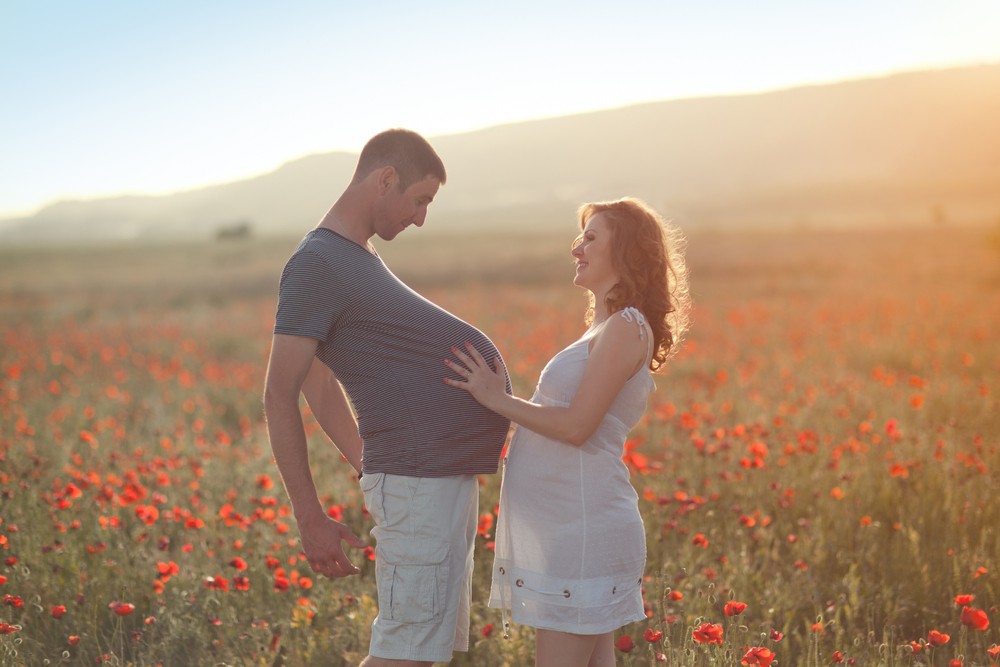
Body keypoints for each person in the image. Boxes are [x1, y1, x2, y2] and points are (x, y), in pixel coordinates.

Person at [263, 128, 511, 667]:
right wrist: (311, 518)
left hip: (427, 482)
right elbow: (282, 394)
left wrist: (366, 465)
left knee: (422, 655)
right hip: (417, 487)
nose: (421, 217)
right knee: (405, 656)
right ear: (385, 179)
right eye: (419, 200)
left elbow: (323, 386)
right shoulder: (318, 261)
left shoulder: (356, 256)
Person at [444, 197, 690, 667]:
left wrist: (498, 400)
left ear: (627, 250)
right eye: (581, 236)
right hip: (570, 532)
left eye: (592, 237)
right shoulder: (604, 329)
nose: (577, 247)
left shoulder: (626, 327)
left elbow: (578, 426)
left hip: (583, 533)